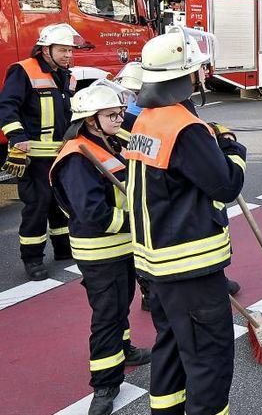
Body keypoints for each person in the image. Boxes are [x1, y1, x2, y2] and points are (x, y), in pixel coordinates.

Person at [126, 26, 246, 415]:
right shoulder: (185, 129)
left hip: (157, 266)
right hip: (190, 269)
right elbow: (225, 185)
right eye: (198, 69)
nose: (202, 75)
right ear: (186, 75)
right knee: (209, 360)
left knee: (172, 347)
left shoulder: (146, 120)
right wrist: (233, 149)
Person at [49, 80, 152, 415]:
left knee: (121, 303)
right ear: (90, 120)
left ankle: (125, 349)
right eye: (112, 115)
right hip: (100, 251)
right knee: (107, 315)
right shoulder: (77, 158)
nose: (120, 119)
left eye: (120, 112)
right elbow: (93, 214)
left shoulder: (108, 141)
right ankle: (105, 383)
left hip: (121, 247)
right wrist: (137, 222)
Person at [0, 23, 80, 280]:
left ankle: (63, 249)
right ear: (46, 50)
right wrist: (17, 136)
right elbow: (7, 106)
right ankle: (32, 259)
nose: (68, 55)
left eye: (70, 50)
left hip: (59, 155)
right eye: (63, 50)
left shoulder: (65, 75)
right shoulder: (23, 70)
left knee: (60, 203)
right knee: (37, 205)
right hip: (33, 156)